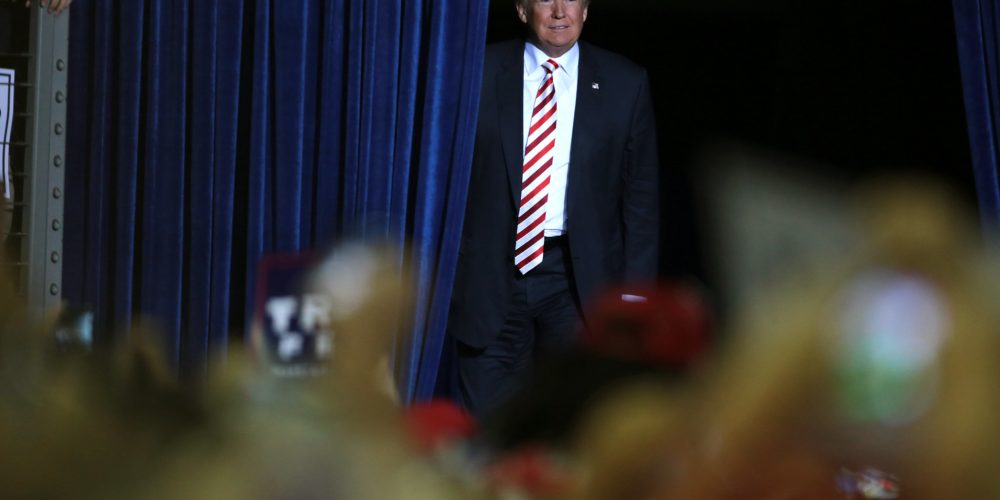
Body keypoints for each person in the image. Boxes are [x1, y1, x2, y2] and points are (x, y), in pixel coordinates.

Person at [449, 0, 660, 415]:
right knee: (489, 431)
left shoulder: (625, 83)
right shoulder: (476, 72)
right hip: (492, 281)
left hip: (579, 285)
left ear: (587, 9)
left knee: (578, 422)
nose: (560, 10)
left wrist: (635, 301)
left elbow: (641, 201)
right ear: (523, 10)